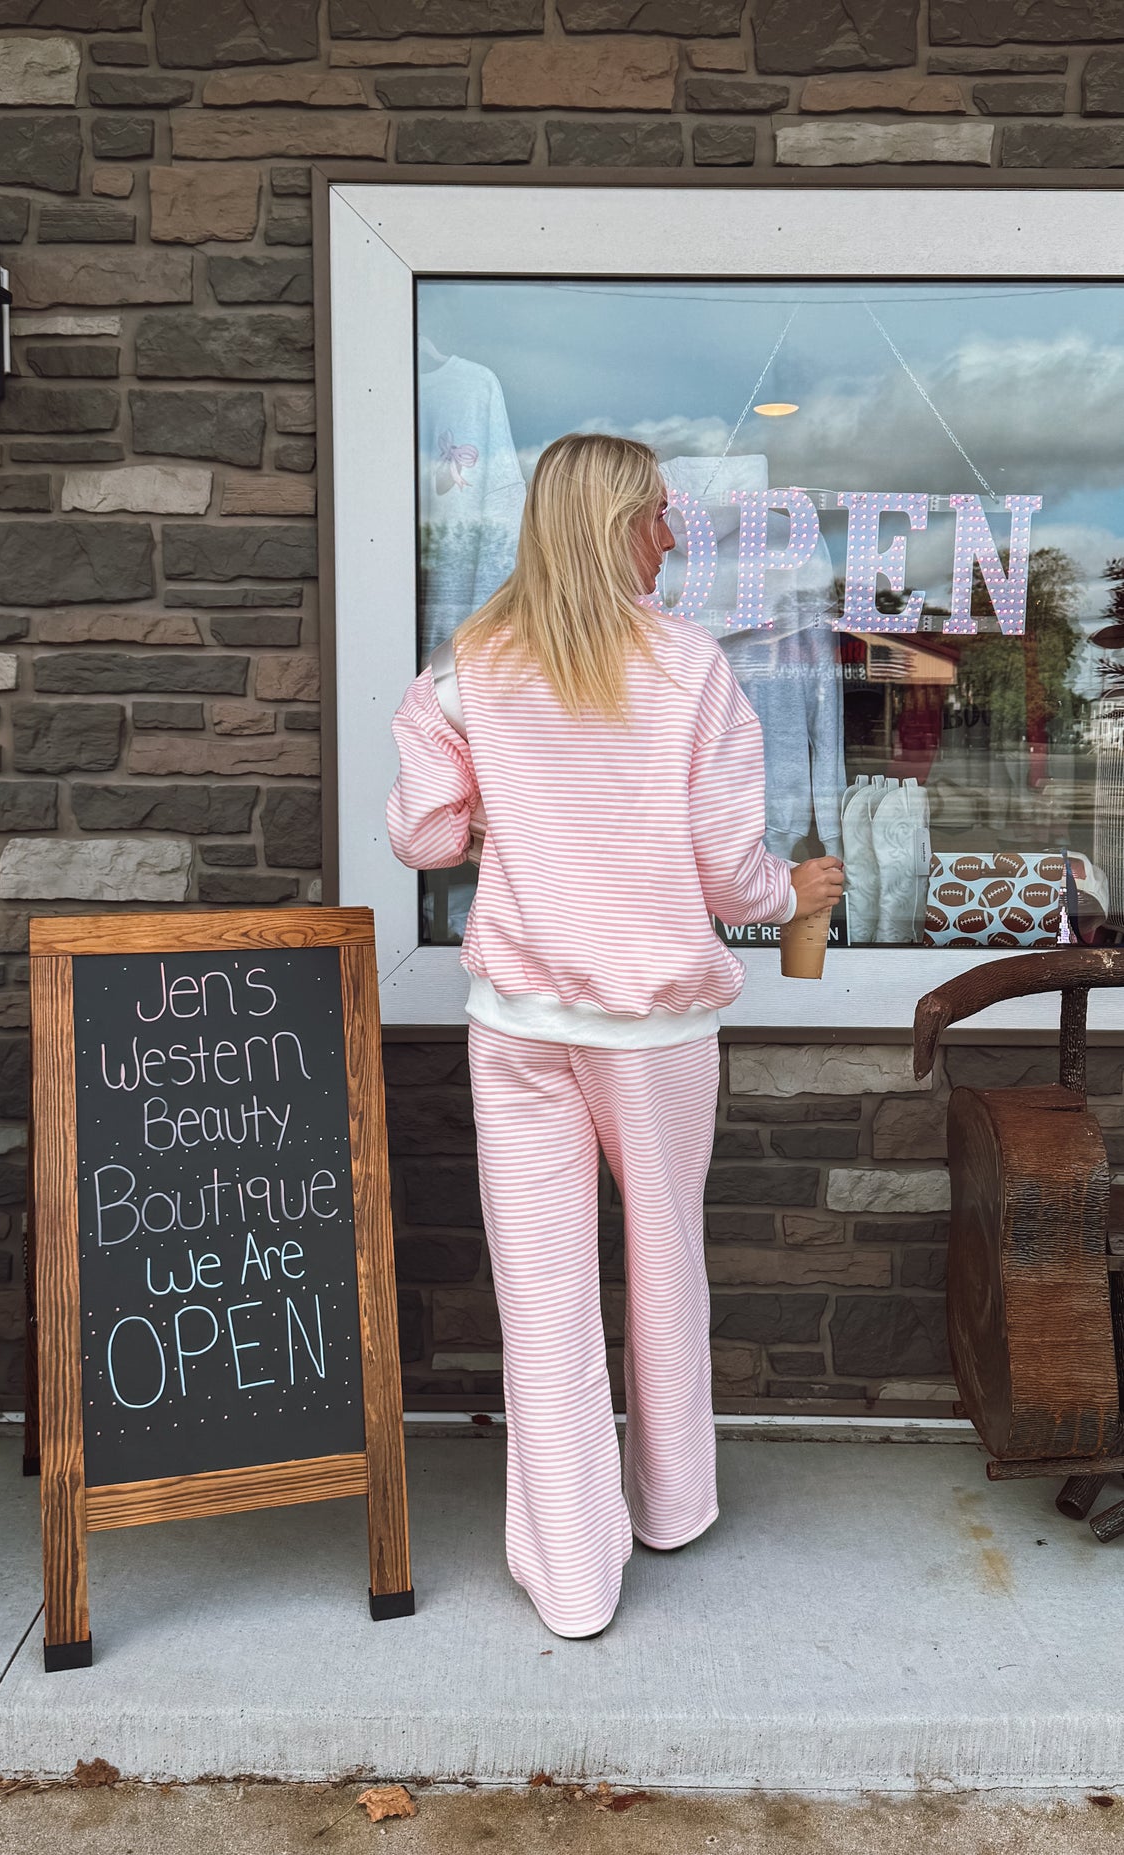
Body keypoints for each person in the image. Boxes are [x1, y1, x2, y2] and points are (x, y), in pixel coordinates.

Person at [385, 432, 844, 1640]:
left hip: (520, 1025)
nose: (671, 535)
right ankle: (670, 1504)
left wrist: (495, 813)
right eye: (655, 515)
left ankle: (572, 1579)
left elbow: (424, 839)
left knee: (539, 1295)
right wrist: (789, 893)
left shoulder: (467, 670)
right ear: (611, 525)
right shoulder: (689, 667)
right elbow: (726, 875)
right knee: (661, 1261)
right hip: (651, 1027)